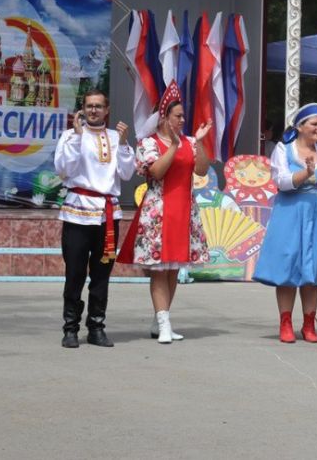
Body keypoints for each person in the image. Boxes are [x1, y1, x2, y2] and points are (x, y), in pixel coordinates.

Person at [117, 82, 211, 344]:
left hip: (184, 212)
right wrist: (173, 147)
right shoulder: (149, 143)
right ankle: (164, 323)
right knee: (159, 269)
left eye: (183, 116)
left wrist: (199, 144)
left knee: (173, 271)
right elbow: (156, 172)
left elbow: (201, 170)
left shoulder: (190, 142)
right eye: (177, 116)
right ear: (164, 117)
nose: (182, 120)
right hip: (158, 212)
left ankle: (161, 320)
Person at [253, 103, 317, 344]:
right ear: (300, 126)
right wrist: (305, 172)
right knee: (288, 267)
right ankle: (285, 323)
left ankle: (309, 323)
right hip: (291, 212)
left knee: (313, 269)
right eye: (314, 124)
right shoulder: (284, 150)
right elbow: (280, 181)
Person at [53, 89, 135, 348]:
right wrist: (77, 137)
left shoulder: (115, 137)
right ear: (83, 108)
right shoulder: (69, 135)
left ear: (107, 110)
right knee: (75, 272)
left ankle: (97, 327)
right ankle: (70, 329)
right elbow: (63, 170)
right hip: (78, 212)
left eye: (98, 106)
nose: (93, 110)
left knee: (101, 274)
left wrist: (123, 144)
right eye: (89, 106)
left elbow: (127, 172)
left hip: (107, 215)